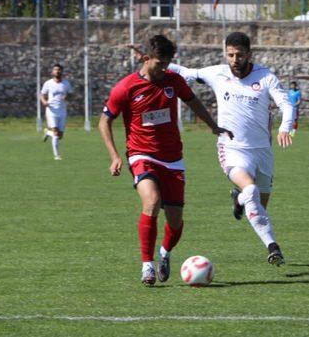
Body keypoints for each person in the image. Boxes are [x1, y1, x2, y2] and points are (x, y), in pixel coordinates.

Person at [98, 35, 232, 287]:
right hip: (141, 154)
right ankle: (147, 266)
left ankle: (164, 253)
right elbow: (105, 120)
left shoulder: (173, 80)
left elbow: (193, 102)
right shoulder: (125, 88)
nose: (164, 68)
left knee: (175, 220)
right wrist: (114, 155)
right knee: (152, 201)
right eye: (160, 63)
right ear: (146, 58)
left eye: (167, 63)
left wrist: (213, 126)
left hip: (172, 158)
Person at [167, 31, 295, 267]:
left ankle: (239, 199)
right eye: (230, 55)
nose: (234, 60)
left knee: (258, 206)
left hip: (262, 151)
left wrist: (285, 127)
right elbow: (185, 73)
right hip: (232, 148)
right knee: (252, 191)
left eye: (239, 55)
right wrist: (152, 59)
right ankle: (273, 247)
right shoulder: (218, 73)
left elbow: (286, 104)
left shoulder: (265, 77)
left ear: (249, 54)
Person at [41, 64, 72, 160]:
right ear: (52, 72)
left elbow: (70, 94)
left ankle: (47, 132)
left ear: (61, 71)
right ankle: (57, 155)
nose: (57, 71)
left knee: (60, 135)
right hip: (51, 111)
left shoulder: (66, 84)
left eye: (59, 70)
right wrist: (44, 102)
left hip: (62, 111)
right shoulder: (48, 83)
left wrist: (67, 97)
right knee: (56, 133)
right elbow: (42, 94)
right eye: (55, 69)